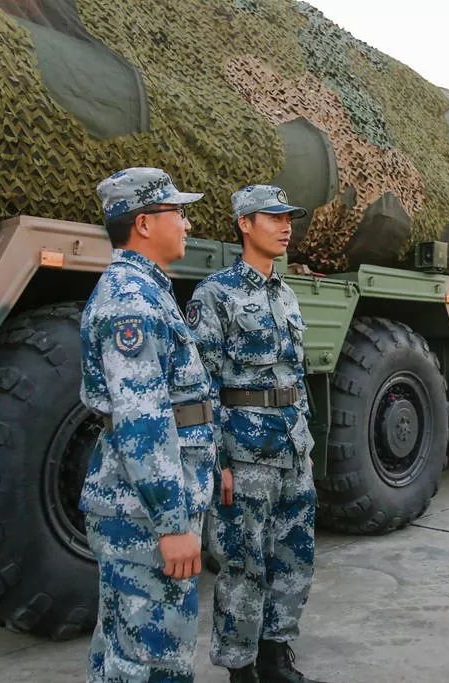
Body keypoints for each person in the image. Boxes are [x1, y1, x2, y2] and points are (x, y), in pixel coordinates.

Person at [80, 167, 216, 682]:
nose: (185, 223)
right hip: (143, 514)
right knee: (152, 660)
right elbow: (143, 420)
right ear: (143, 223)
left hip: (146, 507)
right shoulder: (131, 300)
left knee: (125, 652)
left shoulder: (147, 291)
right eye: (177, 212)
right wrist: (172, 524)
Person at [189, 185, 321, 683]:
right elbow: (202, 387)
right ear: (244, 224)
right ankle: (239, 667)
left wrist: (305, 446)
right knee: (243, 562)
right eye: (273, 217)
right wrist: (217, 460)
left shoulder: (285, 295)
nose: (285, 226)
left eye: (289, 217)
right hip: (245, 453)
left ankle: (276, 653)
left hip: (292, 448)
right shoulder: (216, 294)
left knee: (294, 555)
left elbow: (296, 376)